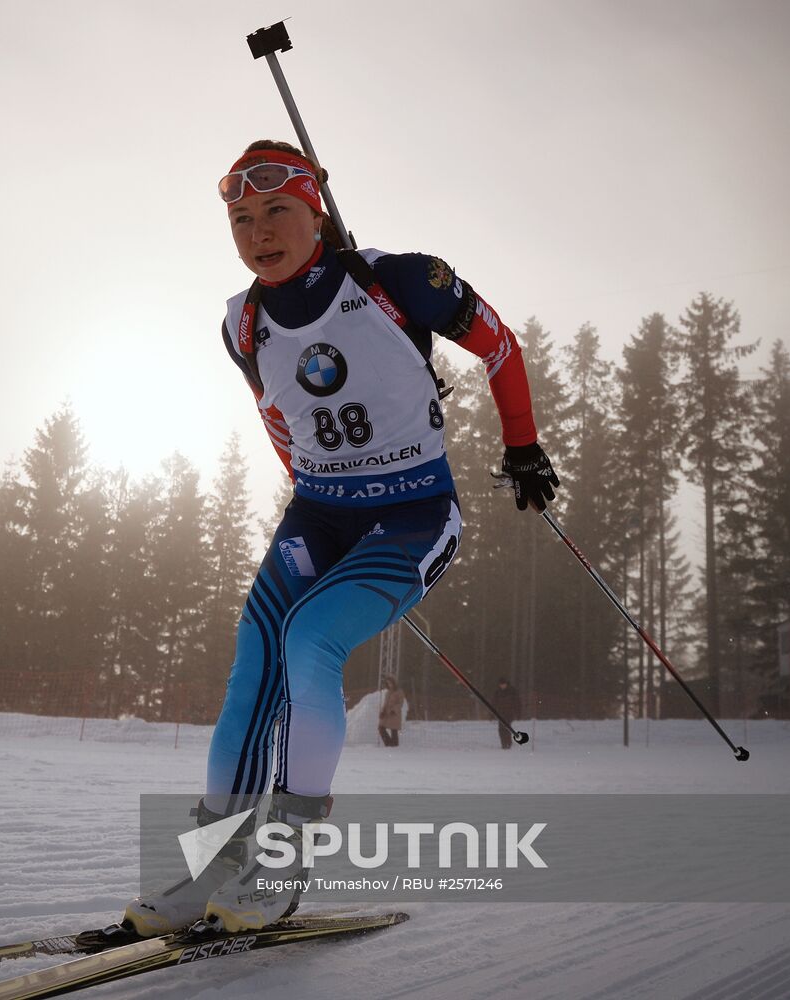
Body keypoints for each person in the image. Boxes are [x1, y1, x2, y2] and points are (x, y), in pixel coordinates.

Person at [124, 140, 559, 935]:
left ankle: (282, 859)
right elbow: (277, 418)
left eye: (276, 210)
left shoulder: (398, 281)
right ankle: (213, 865)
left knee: (310, 638)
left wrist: (521, 446)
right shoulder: (241, 321)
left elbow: (499, 345)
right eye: (241, 218)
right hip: (319, 514)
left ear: (315, 209)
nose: (258, 231)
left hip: (414, 513)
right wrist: (315, 485)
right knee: (255, 661)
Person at [378, 675, 405, 747]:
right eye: (388, 683)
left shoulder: (399, 692)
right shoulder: (388, 692)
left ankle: (394, 746)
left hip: (394, 713)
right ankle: (389, 744)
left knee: (394, 730)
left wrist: (394, 710)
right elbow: (385, 703)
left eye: (391, 683)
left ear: (394, 683)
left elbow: (400, 703)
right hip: (386, 713)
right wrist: (382, 711)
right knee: (381, 728)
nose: (390, 685)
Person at [495, 677, 522, 749]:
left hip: (509, 713)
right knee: (501, 729)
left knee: (506, 727)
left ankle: (508, 743)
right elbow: (494, 702)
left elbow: (517, 703)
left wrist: (518, 713)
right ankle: (503, 744)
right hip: (500, 713)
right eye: (500, 684)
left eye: (503, 684)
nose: (502, 686)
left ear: (506, 684)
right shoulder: (498, 692)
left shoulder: (512, 691)